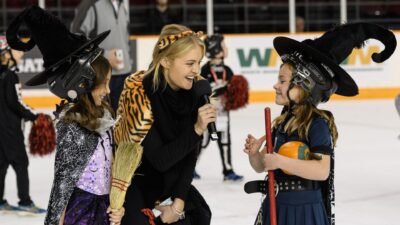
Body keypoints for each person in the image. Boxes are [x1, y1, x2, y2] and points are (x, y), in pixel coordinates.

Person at [243, 22, 396, 225]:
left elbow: (321, 171)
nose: (275, 85)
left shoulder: (317, 124)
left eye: (282, 80)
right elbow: (263, 165)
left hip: (306, 211)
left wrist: (280, 161)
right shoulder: (282, 122)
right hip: (277, 206)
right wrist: (255, 155)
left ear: (305, 85)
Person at [6, 5, 125, 224]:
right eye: (104, 84)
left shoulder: (105, 115)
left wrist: (118, 205)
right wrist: (57, 219)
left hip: (105, 208)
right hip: (81, 211)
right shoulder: (73, 125)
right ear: (83, 82)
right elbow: (64, 180)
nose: (109, 91)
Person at [114, 24, 215, 225]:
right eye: (189, 63)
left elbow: (189, 157)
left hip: (173, 183)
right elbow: (160, 160)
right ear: (166, 61)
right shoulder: (141, 96)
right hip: (138, 182)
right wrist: (196, 129)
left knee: (198, 216)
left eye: (198, 63)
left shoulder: (195, 94)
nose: (196, 70)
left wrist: (178, 203)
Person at [0, 35, 45, 214]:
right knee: (21, 163)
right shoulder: (10, 76)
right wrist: (33, 116)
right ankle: (25, 203)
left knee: (1, 165)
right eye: (18, 49)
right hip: (11, 129)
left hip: (1, 129)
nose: (22, 53)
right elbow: (14, 102)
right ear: (6, 53)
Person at [195, 33, 244, 182]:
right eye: (223, 46)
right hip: (207, 113)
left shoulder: (227, 71)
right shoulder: (204, 70)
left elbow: (231, 91)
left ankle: (228, 171)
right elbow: (201, 90)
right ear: (216, 50)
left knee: (225, 141)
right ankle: (190, 167)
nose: (226, 49)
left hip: (223, 114)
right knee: (202, 142)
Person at [72, 0, 132, 112]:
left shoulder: (122, 5)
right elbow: (76, 38)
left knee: (120, 123)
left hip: (124, 76)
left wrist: (129, 62)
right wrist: (104, 54)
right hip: (100, 77)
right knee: (101, 123)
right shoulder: (90, 4)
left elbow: (126, 39)